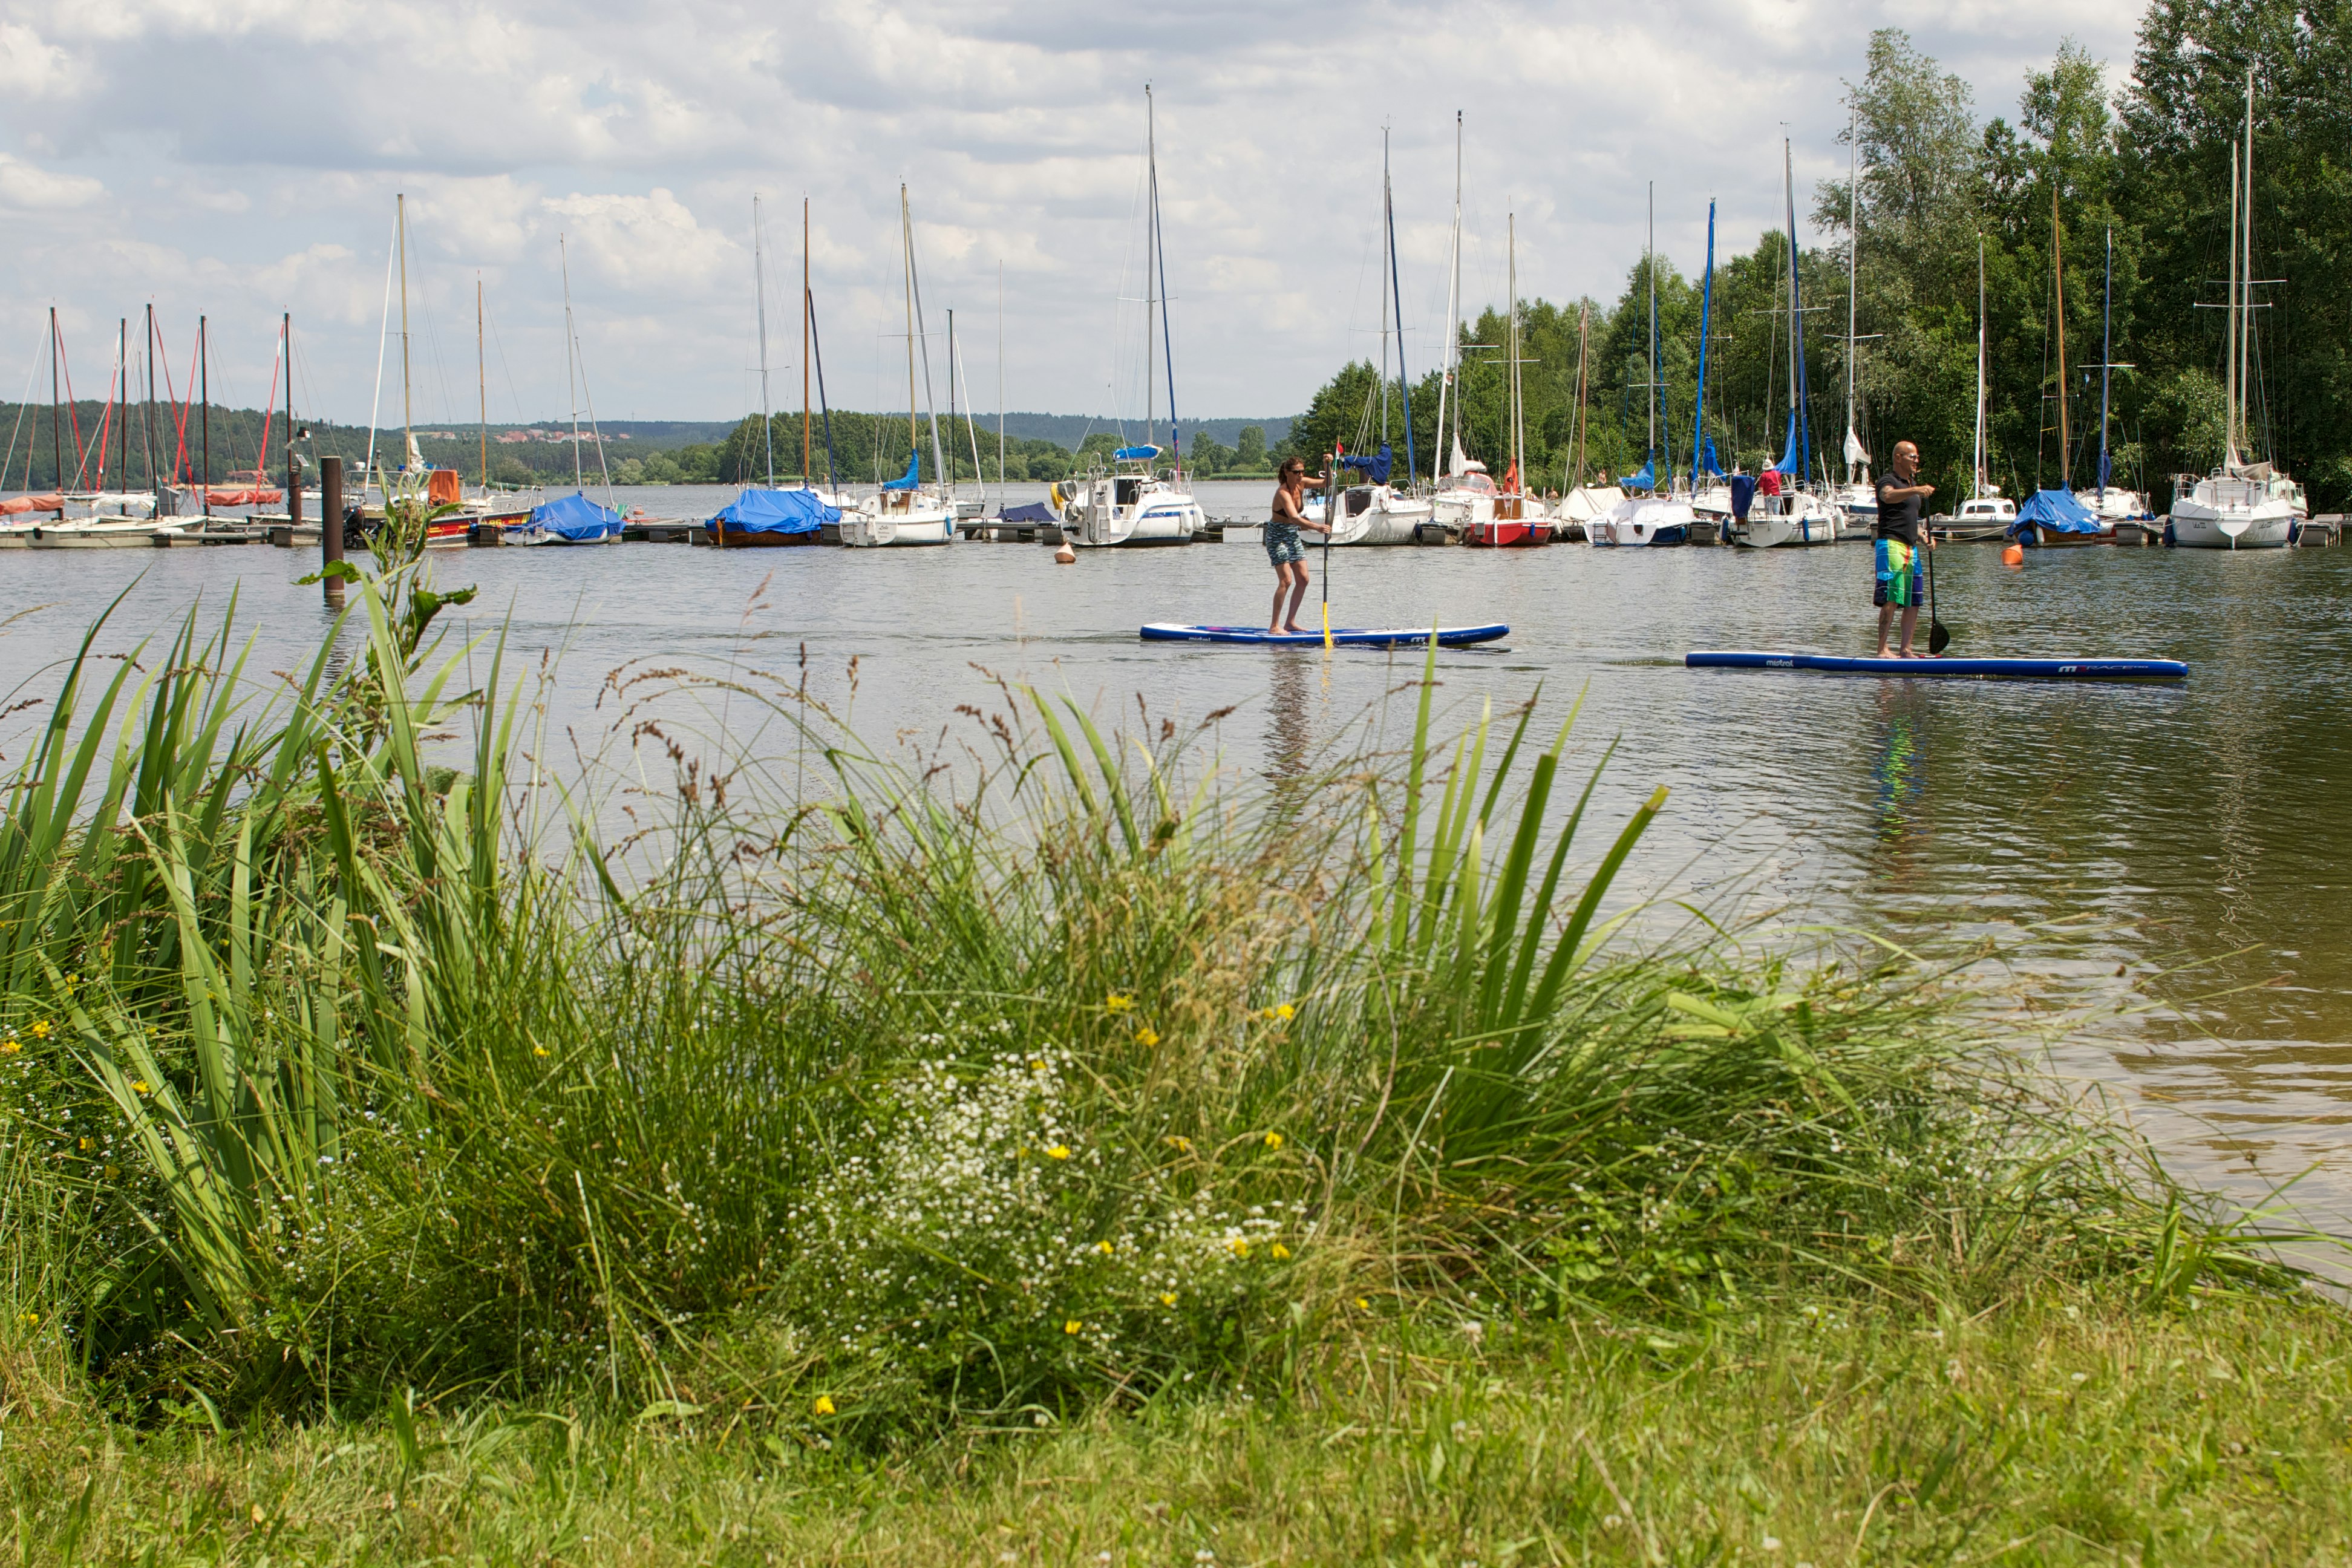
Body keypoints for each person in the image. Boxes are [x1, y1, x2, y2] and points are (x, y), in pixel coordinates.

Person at [1873, 440, 1937, 656]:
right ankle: (1882, 649)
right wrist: (1916, 490)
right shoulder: (1888, 480)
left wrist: (1923, 536)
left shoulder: (1911, 486)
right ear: (1898, 457)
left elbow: (1911, 521)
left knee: (1913, 600)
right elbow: (1887, 496)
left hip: (1911, 548)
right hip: (1890, 544)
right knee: (1893, 596)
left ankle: (1906, 649)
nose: (1916, 461)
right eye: (1912, 457)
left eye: (1917, 458)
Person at [1266, 455, 1330, 634]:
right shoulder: (1282, 493)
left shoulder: (1302, 484)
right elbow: (1294, 518)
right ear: (1287, 473)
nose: (1300, 476)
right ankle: (1274, 626)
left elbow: (1327, 484)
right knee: (1286, 580)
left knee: (1303, 579)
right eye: (1296, 472)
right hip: (1277, 536)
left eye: (1302, 472)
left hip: (1292, 535)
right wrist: (1317, 527)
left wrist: (1327, 465)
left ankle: (1290, 623)